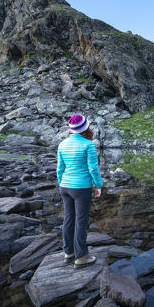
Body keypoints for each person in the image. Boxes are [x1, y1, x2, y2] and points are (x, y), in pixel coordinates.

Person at [56, 114, 103, 268]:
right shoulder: (88, 145)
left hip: (65, 186)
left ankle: (68, 253)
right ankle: (81, 256)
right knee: (81, 221)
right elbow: (93, 168)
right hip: (81, 188)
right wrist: (98, 185)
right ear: (85, 128)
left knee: (69, 219)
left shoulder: (62, 144)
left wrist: (62, 183)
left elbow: (60, 169)